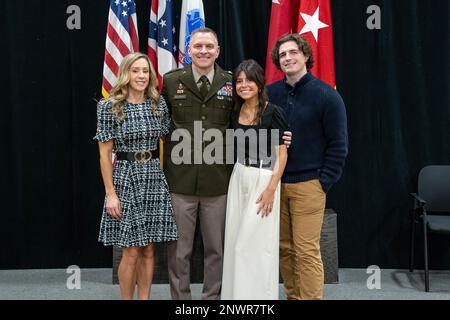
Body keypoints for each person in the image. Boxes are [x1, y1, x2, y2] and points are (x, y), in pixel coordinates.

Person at [267, 34, 348, 300]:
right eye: (282, 55)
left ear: (305, 56)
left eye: (293, 52)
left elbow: (339, 145)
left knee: (306, 249)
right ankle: (293, 296)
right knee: (285, 248)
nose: (288, 58)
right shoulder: (271, 93)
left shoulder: (327, 95)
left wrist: (323, 181)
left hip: (309, 185)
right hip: (275, 184)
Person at [94, 52, 178, 300]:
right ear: (126, 74)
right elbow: (104, 153)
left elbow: (168, 139)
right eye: (136, 70)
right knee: (130, 250)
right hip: (125, 177)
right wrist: (110, 193)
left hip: (153, 176)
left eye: (145, 71)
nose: (142, 76)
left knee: (149, 248)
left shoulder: (157, 104)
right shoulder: (109, 106)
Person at [161, 27, 233, 300]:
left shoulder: (230, 82)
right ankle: (182, 302)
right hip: (181, 180)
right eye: (198, 46)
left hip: (218, 180)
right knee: (180, 250)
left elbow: (244, 121)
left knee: (216, 249)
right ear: (188, 50)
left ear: (218, 51)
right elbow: (160, 124)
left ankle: (211, 299)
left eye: (209, 46)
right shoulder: (170, 81)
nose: (203, 51)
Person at [221, 59, 288, 300]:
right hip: (239, 176)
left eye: (249, 79)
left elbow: (282, 153)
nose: (243, 84)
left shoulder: (273, 112)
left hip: (264, 179)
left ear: (259, 83)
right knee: (234, 244)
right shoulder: (235, 111)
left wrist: (271, 188)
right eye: (239, 80)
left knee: (254, 247)